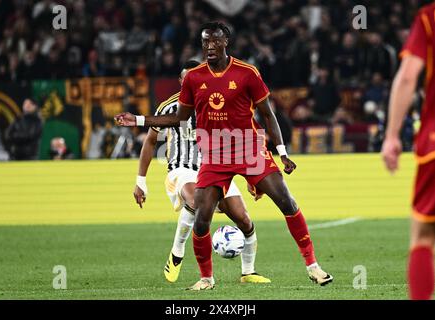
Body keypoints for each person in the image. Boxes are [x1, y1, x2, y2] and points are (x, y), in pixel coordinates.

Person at [115, 21, 333, 291]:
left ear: (225, 42)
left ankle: (313, 266)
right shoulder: (194, 78)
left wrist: (282, 152)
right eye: (205, 42)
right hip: (215, 154)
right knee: (202, 216)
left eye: (215, 41)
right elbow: (178, 118)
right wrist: (137, 119)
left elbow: (268, 114)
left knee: (286, 201)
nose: (209, 46)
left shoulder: (247, 73)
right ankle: (206, 278)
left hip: (248, 148)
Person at [136, 60, 270, 284]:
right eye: (188, 78)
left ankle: (248, 272)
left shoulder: (219, 104)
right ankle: (177, 252)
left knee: (244, 219)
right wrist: (140, 180)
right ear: (182, 82)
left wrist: (251, 177)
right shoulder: (169, 108)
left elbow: (241, 137)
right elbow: (150, 142)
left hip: (216, 168)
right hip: (181, 170)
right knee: (197, 200)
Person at [381, 2, 435, 300]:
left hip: (433, 143)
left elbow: (406, 76)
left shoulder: (429, 18)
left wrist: (391, 136)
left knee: (423, 238)